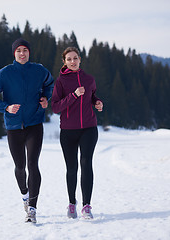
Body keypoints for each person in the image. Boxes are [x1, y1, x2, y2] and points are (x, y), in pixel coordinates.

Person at [0, 38, 54, 223]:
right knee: (20, 167)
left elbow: (50, 84)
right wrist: (6, 107)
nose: (22, 53)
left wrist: (46, 99)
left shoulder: (39, 70)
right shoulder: (4, 74)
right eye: (19, 51)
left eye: (25, 50)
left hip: (34, 124)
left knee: (33, 164)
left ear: (29, 52)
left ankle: (32, 208)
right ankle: (24, 194)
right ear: (14, 53)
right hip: (14, 126)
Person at [51, 47, 103, 219]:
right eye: (69, 59)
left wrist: (97, 102)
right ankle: (72, 203)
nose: (72, 62)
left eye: (75, 58)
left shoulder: (89, 79)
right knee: (72, 168)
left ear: (80, 59)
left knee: (86, 163)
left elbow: (92, 96)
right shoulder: (60, 82)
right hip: (68, 131)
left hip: (89, 128)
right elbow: (56, 107)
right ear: (64, 62)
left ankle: (86, 206)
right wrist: (73, 95)